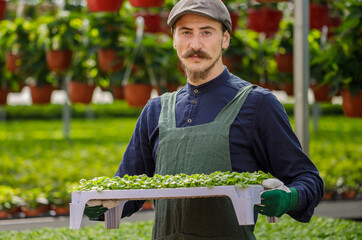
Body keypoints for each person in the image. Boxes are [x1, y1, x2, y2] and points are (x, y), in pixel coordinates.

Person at [84, 0, 324, 239]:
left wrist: (289, 197)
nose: (195, 44)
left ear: (225, 39)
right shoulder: (155, 110)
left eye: (206, 32)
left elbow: (308, 179)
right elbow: (126, 193)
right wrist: (99, 203)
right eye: (186, 33)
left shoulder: (257, 104)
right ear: (175, 40)